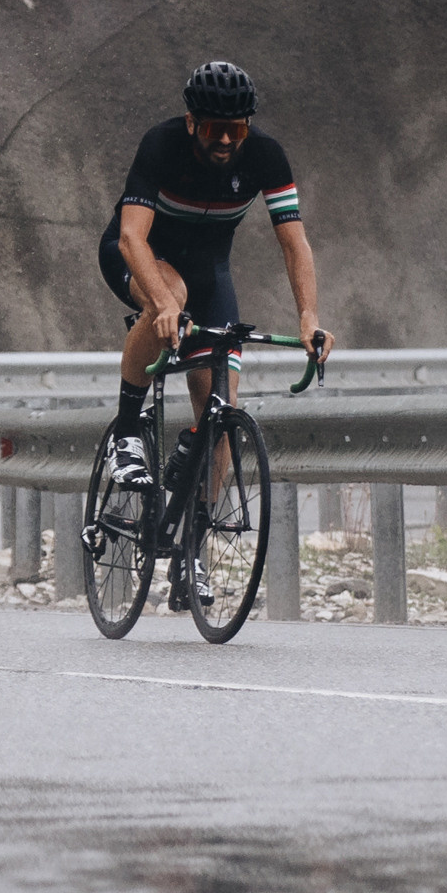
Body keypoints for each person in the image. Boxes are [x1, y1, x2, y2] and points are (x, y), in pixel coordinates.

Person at [97, 60, 331, 607]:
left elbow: (294, 242)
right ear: (191, 121)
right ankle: (126, 432)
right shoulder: (160, 145)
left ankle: (191, 555)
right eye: (212, 128)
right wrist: (160, 302)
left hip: (210, 277)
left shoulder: (266, 156)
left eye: (236, 129)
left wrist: (308, 318)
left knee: (221, 411)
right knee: (172, 294)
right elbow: (131, 238)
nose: (225, 140)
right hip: (140, 258)